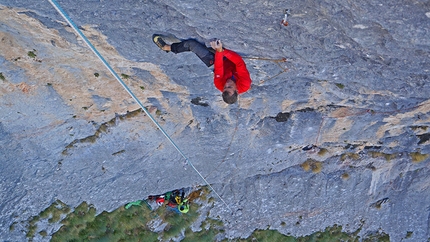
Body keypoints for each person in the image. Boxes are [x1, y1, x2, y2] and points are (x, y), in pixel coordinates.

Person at [152, 35, 252, 104]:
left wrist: (219, 52)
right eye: (230, 87)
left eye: (225, 87)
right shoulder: (245, 84)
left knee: (192, 45)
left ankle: (166, 47)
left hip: (217, 65)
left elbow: (219, 68)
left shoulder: (219, 85)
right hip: (229, 60)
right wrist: (222, 51)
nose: (227, 84)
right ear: (237, 91)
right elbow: (239, 63)